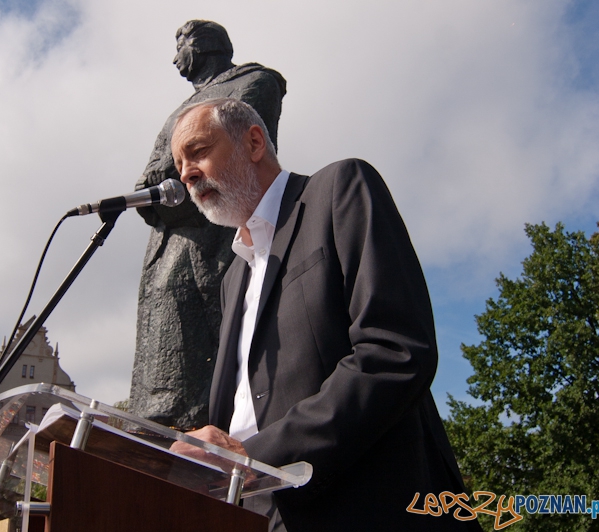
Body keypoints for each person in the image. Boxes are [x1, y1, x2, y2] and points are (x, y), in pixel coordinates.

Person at [169, 98, 482, 532]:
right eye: (180, 164)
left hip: (368, 509)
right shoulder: (232, 278)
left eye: (198, 151)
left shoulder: (338, 190)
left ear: (254, 142)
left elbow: (395, 349)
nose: (186, 173)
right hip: (259, 514)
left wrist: (259, 456)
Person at [130, 20, 287, 430]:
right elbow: (148, 182)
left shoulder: (256, 82)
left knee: (213, 359)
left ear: (202, 46)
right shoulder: (180, 110)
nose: (174, 58)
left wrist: (175, 186)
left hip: (218, 243)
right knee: (160, 359)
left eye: (179, 46)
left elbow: (235, 167)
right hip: (167, 246)